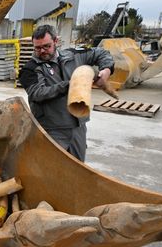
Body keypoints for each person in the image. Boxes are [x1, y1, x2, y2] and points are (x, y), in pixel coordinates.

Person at [19, 25, 114, 161]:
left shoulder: (73, 56)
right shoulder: (30, 69)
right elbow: (38, 93)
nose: (42, 51)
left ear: (56, 41)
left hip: (78, 127)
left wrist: (106, 69)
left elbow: (101, 53)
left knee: (78, 169)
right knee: (52, 171)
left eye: (47, 46)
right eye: (37, 48)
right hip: (52, 130)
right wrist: (71, 84)